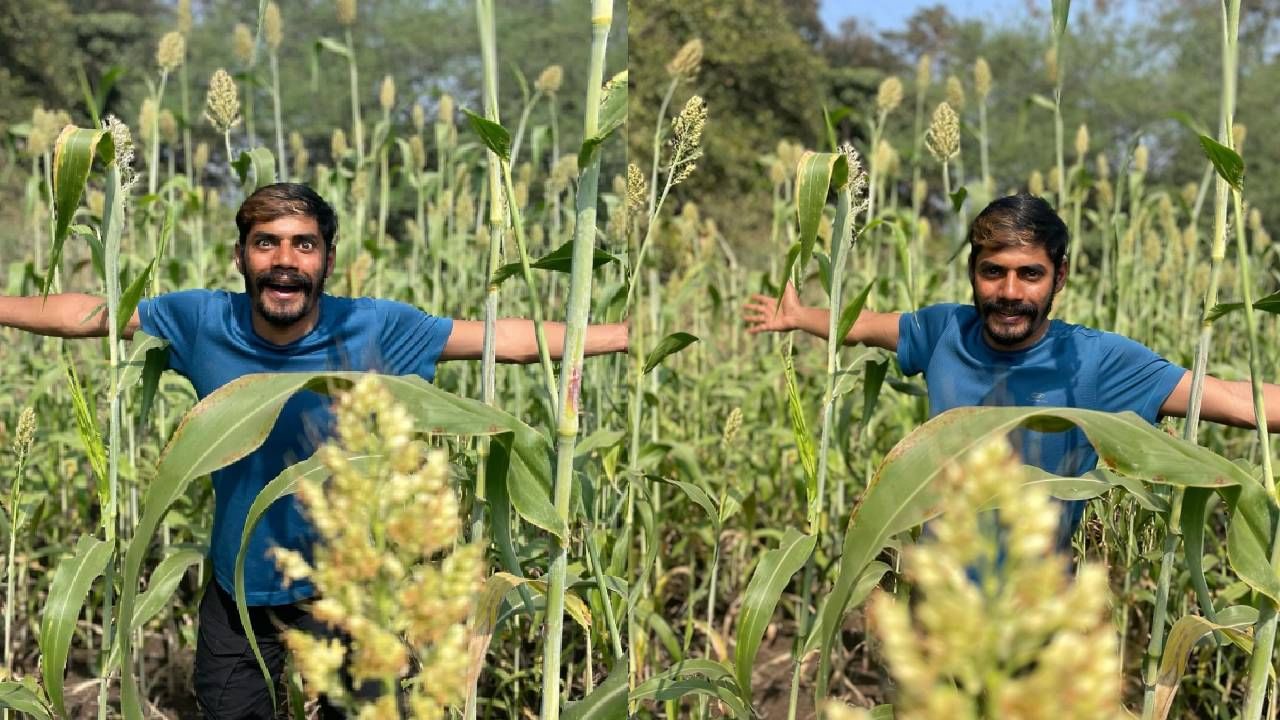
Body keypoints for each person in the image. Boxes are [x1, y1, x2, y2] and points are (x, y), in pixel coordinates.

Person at [0, 182, 628, 718]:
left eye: (304, 245)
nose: (284, 261)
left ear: (327, 261)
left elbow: (508, 341)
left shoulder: (374, 327)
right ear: (241, 258)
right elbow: (89, 312)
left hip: (351, 587)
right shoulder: (200, 320)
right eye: (266, 243)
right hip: (240, 586)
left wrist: (629, 334)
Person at [744, 193, 1280, 549]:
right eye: (992, 272)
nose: (1009, 293)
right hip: (941, 603)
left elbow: (1234, 401)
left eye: (1030, 274)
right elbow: (866, 326)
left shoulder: (1095, 360)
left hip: (1037, 614)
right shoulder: (943, 330)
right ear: (973, 273)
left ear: (1059, 277)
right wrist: (799, 317)